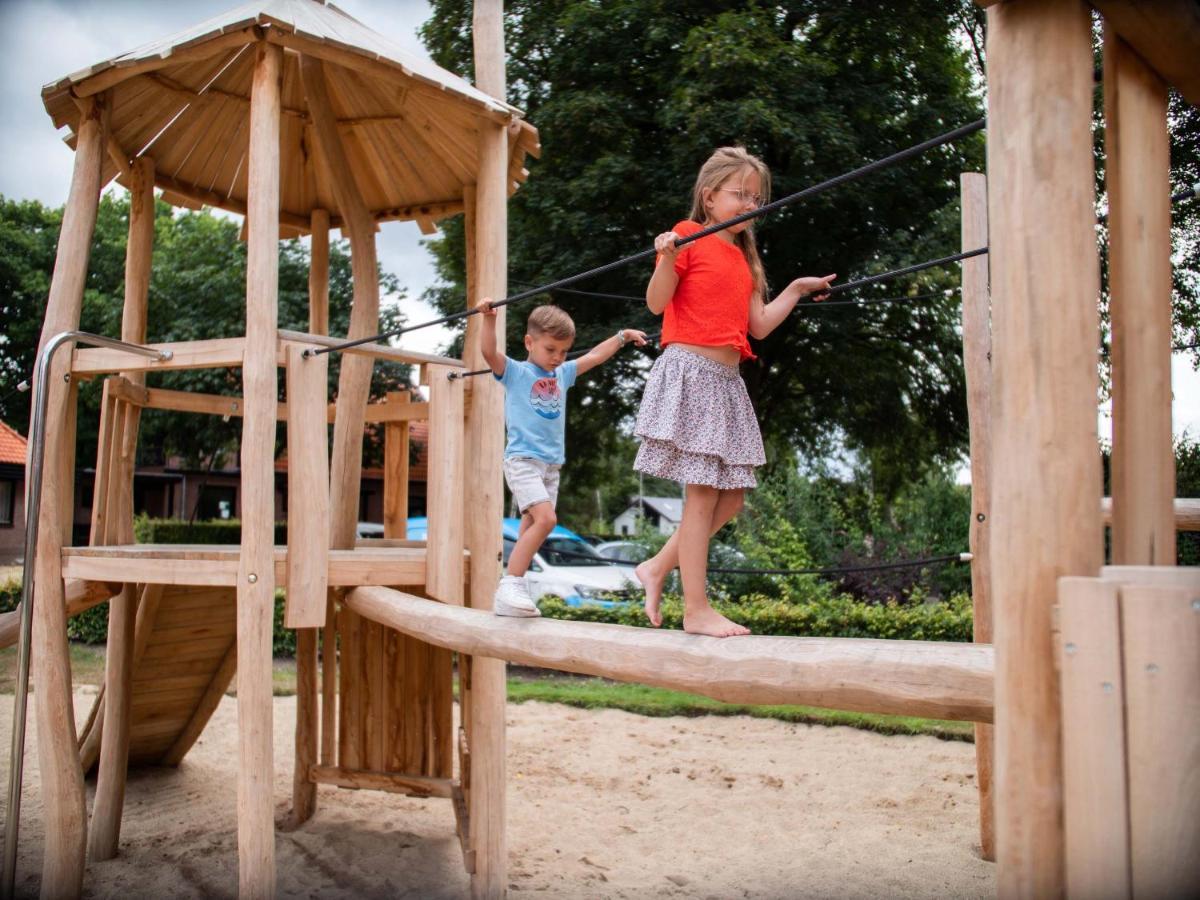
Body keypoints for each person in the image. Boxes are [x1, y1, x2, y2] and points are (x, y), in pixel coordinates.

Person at [632, 146, 835, 637]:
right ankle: (696, 610)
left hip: (725, 383)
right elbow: (657, 303)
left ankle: (658, 566)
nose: (748, 204)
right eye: (739, 194)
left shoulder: (744, 260)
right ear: (709, 196)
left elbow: (758, 326)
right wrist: (665, 258)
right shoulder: (687, 236)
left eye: (756, 197)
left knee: (733, 499)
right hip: (691, 373)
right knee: (701, 495)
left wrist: (794, 290)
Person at [478, 301, 648, 617]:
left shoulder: (563, 373)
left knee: (531, 524)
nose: (557, 358)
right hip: (524, 461)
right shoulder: (516, 372)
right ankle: (511, 583)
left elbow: (595, 357)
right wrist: (488, 320)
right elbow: (489, 353)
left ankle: (510, 592)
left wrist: (622, 336)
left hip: (551, 466)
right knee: (546, 521)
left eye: (563, 352)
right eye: (551, 349)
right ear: (529, 343)